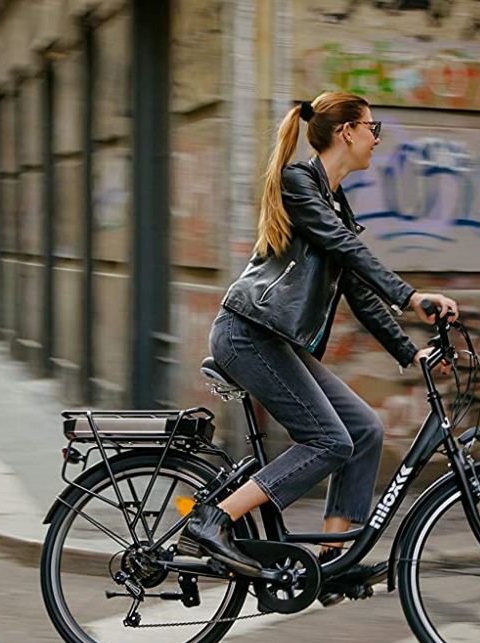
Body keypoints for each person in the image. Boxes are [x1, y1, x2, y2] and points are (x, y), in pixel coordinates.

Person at [180, 91, 458, 576]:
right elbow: (345, 249)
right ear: (346, 131)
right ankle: (213, 518)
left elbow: (358, 290)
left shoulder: (334, 203)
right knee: (330, 440)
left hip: (271, 339)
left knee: (365, 431)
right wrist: (411, 296)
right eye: (373, 128)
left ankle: (334, 561)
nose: (376, 139)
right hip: (248, 333)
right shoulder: (299, 183)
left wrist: (409, 352)